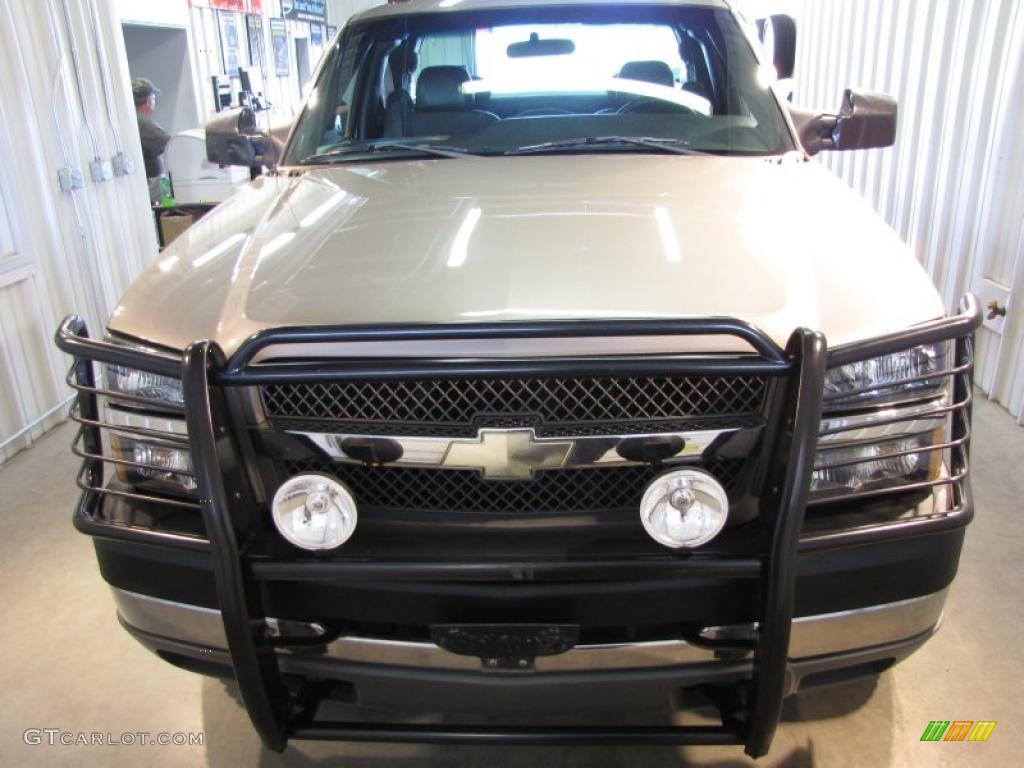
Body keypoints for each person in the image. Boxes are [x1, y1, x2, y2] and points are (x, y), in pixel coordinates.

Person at [132, 77, 171, 204]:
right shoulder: (143, 122)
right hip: (153, 181)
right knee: (167, 208)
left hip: (148, 178)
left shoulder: (134, 120)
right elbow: (168, 142)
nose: (154, 102)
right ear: (148, 101)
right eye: (153, 99)